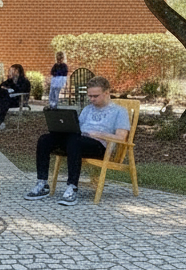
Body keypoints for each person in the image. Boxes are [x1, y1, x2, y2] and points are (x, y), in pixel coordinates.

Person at [24, 75, 130, 206]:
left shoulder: (119, 111)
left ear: (107, 93)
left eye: (95, 96)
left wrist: (97, 134)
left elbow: (121, 138)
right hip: (77, 141)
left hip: (99, 147)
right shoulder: (87, 109)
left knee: (75, 141)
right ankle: (42, 183)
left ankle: (72, 187)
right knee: (45, 139)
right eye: (90, 96)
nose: (92, 99)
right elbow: (76, 128)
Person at [0, 63, 30, 129]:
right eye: (10, 71)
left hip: (19, 100)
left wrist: (9, 89)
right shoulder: (10, 80)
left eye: (12, 71)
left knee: (3, 98)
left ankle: (0, 121)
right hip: (9, 99)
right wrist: (4, 89)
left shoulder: (24, 81)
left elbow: (20, 91)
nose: (10, 72)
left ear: (17, 71)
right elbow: (0, 87)